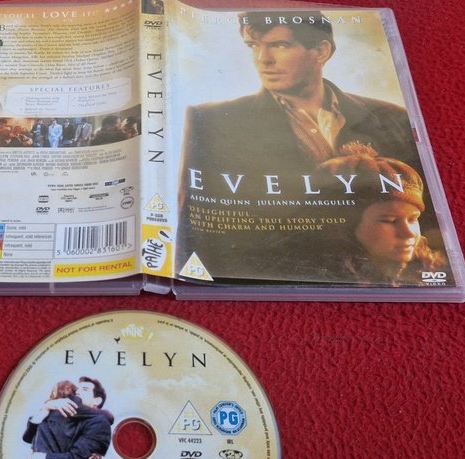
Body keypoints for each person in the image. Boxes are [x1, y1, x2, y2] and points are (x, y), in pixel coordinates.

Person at [177, 11, 426, 280]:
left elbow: (427, 220)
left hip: (386, 278)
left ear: (321, 51)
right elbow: (197, 234)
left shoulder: (392, 117)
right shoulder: (209, 120)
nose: (263, 59)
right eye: (254, 46)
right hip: (270, 277)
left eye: (280, 45)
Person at [300, 144, 447, 286]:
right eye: (390, 220)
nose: (408, 233)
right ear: (345, 227)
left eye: (413, 219)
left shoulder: (435, 271)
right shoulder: (316, 278)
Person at [21, 377, 113, 459]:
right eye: (77, 389)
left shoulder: (99, 423)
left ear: (97, 401)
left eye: (85, 389)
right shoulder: (63, 413)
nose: (78, 392)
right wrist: (46, 408)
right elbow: (28, 437)